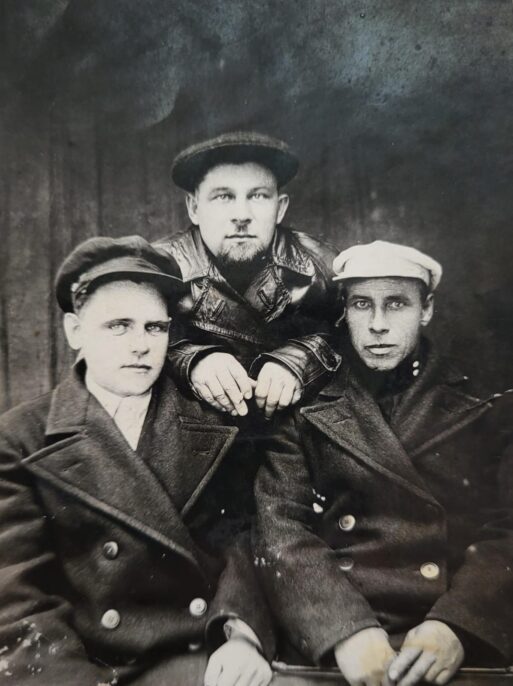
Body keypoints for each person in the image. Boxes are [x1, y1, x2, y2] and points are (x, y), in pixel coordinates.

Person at [0, 236, 274, 686]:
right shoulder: (20, 438)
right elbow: (17, 599)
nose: (141, 345)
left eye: (155, 328)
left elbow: (243, 542)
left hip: (204, 653)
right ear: (74, 331)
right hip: (91, 668)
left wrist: (242, 634)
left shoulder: (214, 422)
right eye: (119, 326)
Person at [255, 240, 513, 686]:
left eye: (396, 304)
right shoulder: (306, 404)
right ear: (345, 311)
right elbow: (280, 528)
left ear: (426, 309)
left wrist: (459, 623)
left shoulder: (486, 403)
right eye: (362, 304)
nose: (378, 324)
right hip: (338, 636)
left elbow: (507, 530)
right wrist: (345, 629)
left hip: (449, 637)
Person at [156, 131, 341, 420]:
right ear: (194, 208)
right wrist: (191, 361)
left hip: (297, 429)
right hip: (191, 430)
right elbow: (121, 347)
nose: (241, 215)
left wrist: (301, 359)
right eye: (223, 196)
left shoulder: (322, 265)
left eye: (258, 196)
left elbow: (360, 341)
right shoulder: (157, 267)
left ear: (280, 208)